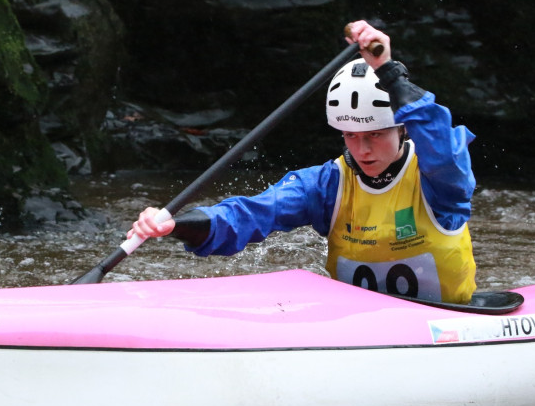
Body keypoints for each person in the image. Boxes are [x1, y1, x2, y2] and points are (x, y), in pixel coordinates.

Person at [128, 20, 477, 304]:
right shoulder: (327, 186)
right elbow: (252, 214)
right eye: (351, 136)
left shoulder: (439, 181)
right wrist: (177, 225)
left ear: (402, 130)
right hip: (364, 330)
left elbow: (442, 148)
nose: (363, 150)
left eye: (374, 135)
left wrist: (388, 71)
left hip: (445, 322)